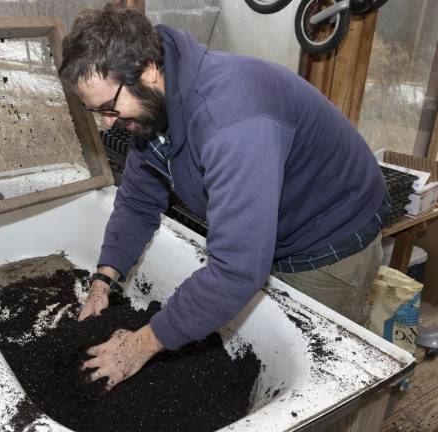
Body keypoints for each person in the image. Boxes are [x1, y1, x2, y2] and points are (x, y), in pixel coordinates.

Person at [58, 3, 388, 391]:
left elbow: (236, 269)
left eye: (109, 109)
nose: (107, 123)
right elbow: (137, 201)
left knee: (320, 381)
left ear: (147, 71)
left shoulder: (231, 119)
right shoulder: (156, 102)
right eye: (95, 112)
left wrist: (139, 345)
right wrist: (103, 282)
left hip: (327, 241)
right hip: (269, 233)